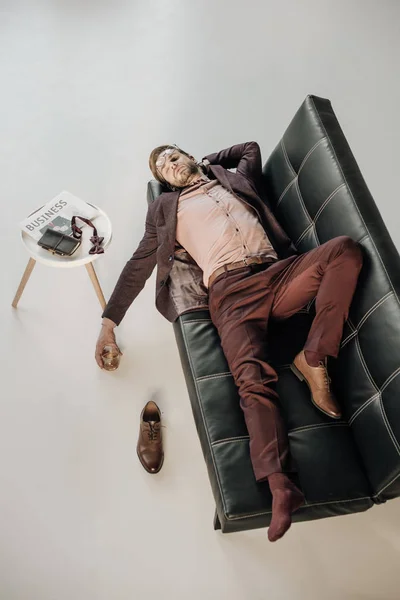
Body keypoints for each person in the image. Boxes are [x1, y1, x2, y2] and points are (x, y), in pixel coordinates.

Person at [95, 142, 364, 542]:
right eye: (162, 167)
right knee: (252, 379)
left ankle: (313, 357)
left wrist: (207, 163)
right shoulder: (165, 210)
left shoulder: (232, 178)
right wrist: (108, 323)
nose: (170, 165)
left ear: (190, 156)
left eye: (173, 155)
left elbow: (250, 148)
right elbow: (138, 265)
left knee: (344, 250)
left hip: (279, 273)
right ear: (163, 183)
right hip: (231, 293)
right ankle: (280, 486)